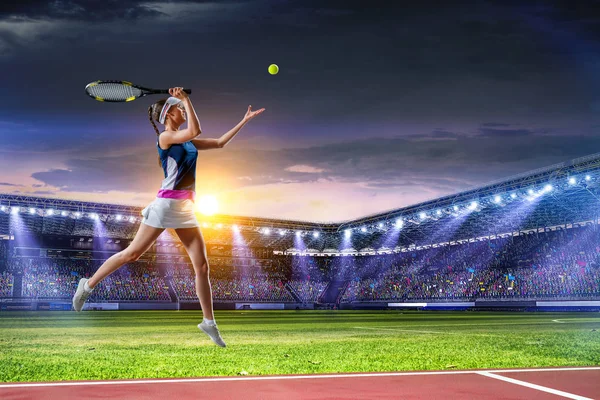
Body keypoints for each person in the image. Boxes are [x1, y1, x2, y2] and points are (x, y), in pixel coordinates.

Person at [72, 87, 265, 347]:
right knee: (132, 254)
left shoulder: (186, 141)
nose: (183, 110)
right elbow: (195, 130)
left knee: (203, 267)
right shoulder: (165, 138)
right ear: (168, 113)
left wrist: (244, 121)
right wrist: (185, 98)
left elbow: (219, 143)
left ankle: (209, 323)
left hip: (186, 209)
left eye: (183, 107)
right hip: (165, 206)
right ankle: (88, 285)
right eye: (180, 108)